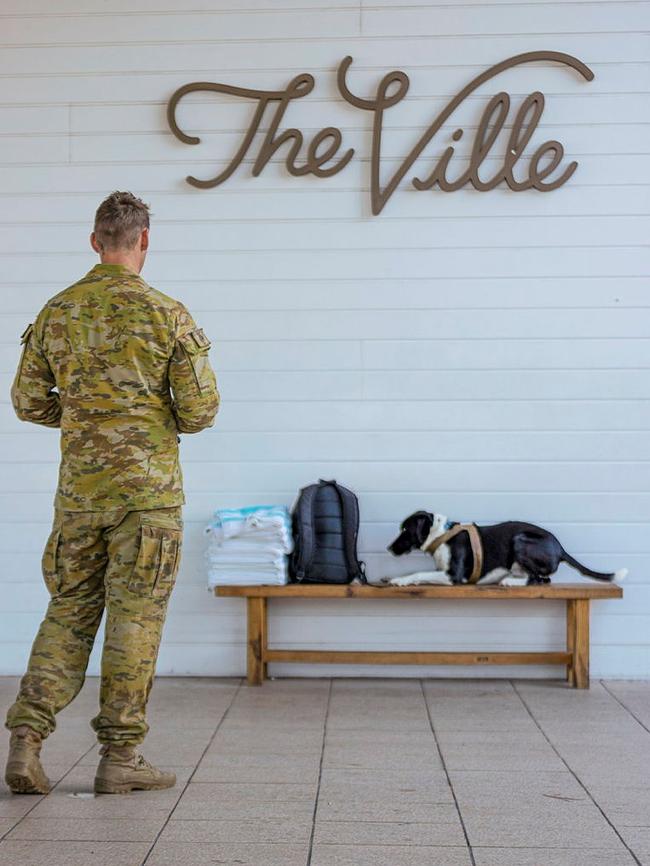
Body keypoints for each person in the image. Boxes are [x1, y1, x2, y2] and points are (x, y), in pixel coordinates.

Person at [4, 191, 220, 795]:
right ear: (144, 241)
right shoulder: (166, 313)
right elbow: (201, 410)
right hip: (148, 497)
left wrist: (84, 419)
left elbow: (27, 403)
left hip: (79, 494)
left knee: (68, 611)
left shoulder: (56, 311)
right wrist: (148, 421)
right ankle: (119, 759)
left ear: (95, 241)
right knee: (136, 618)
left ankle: (26, 740)